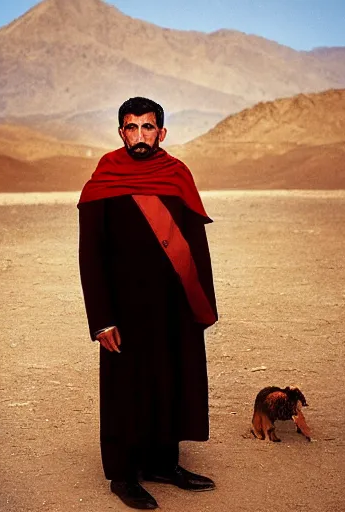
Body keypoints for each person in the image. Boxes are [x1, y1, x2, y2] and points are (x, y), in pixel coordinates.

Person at [78, 97, 218, 510]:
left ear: (162, 132)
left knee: (171, 379)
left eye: (148, 127)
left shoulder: (177, 175)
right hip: (125, 309)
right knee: (126, 389)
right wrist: (102, 320)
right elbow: (91, 255)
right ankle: (124, 475)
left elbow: (195, 242)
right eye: (132, 128)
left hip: (174, 304)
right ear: (121, 132)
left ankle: (162, 463)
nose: (140, 136)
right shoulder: (104, 180)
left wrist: (200, 300)